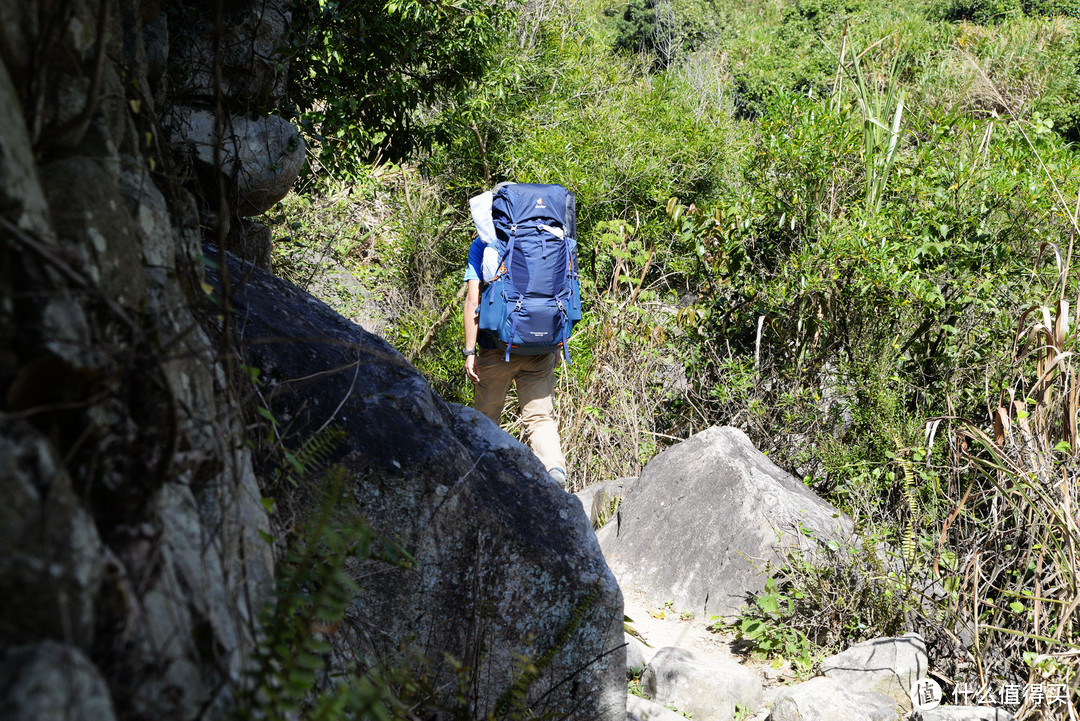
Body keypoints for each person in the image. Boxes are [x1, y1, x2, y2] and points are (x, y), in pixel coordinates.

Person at [462, 235, 569, 488]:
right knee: (541, 418)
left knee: (487, 417)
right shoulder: (549, 238)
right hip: (540, 348)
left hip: (495, 348)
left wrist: (469, 351)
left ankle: (485, 479)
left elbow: (472, 301)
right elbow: (560, 293)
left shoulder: (485, 243)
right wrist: (556, 344)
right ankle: (554, 469)